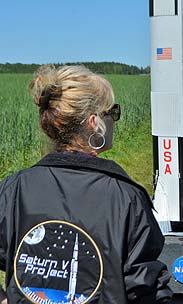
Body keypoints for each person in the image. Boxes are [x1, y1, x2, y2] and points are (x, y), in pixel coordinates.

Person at [0, 65, 172, 303]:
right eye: (113, 112)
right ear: (94, 123)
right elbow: (144, 288)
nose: (115, 120)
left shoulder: (14, 189)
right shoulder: (125, 197)